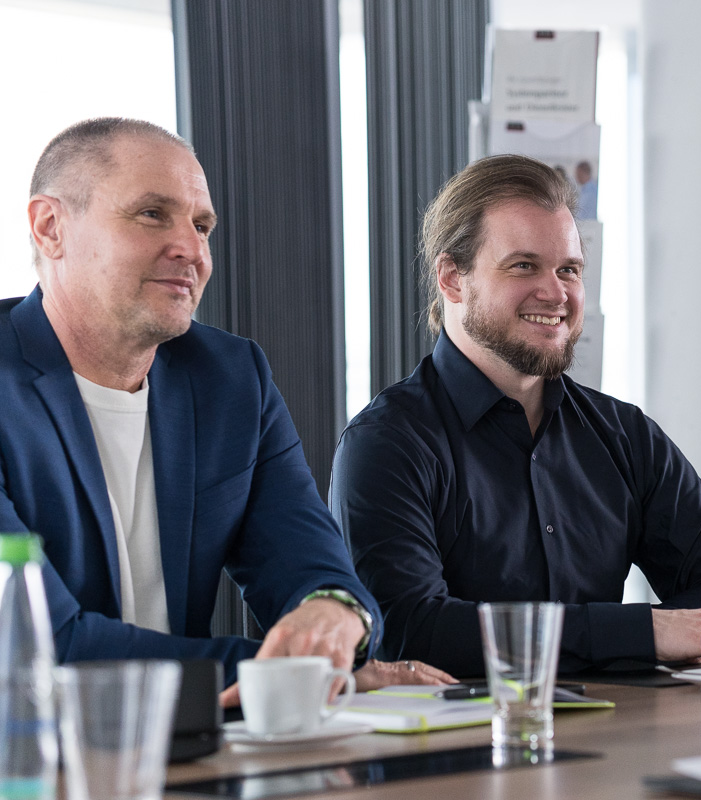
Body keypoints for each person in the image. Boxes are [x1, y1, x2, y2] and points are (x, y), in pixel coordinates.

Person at [4, 117, 449, 689]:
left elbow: (310, 562)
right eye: (151, 214)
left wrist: (333, 615)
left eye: (203, 225)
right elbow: (33, 643)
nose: (192, 250)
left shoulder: (231, 378)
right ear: (50, 228)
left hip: (194, 750)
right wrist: (285, 674)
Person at [330, 154, 701, 677]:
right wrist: (639, 633)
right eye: (524, 266)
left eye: (569, 270)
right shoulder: (387, 444)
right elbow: (407, 629)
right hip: (460, 748)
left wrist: (650, 635)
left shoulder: (624, 435)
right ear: (452, 280)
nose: (556, 293)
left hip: (618, 736)